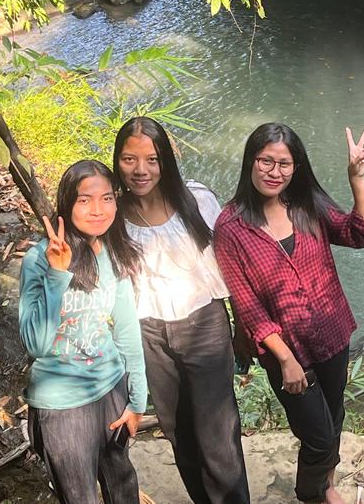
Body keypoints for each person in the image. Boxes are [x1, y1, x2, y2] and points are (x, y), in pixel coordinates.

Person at [214, 123, 364, 504]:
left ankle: (327, 485)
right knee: (318, 436)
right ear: (251, 162)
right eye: (266, 161)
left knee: (334, 419)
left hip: (332, 333)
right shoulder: (231, 227)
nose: (275, 172)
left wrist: (356, 179)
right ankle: (310, 494)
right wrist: (286, 360)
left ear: (296, 167)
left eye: (284, 164)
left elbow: (363, 233)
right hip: (285, 351)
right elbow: (247, 305)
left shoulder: (308, 205)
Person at [112, 117, 250, 504]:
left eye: (152, 159)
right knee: (179, 434)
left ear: (166, 161)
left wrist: (243, 329)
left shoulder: (196, 200)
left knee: (218, 435)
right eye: (129, 159)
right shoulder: (115, 217)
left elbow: (229, 265)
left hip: (204, 324)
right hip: (149, 334)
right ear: (117, 162)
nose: (141, 170)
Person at [18, 159, 146, 504]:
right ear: (67, 203)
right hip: (62, 406)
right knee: (79, 496)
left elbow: (127, 329)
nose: (98, 210)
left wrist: (137, 399)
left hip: (110, 390)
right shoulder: (39, 259)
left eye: (107, 199)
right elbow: (37, 345)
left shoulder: (112, 250)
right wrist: (59, 275)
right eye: (85, 200)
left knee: (123, 486)